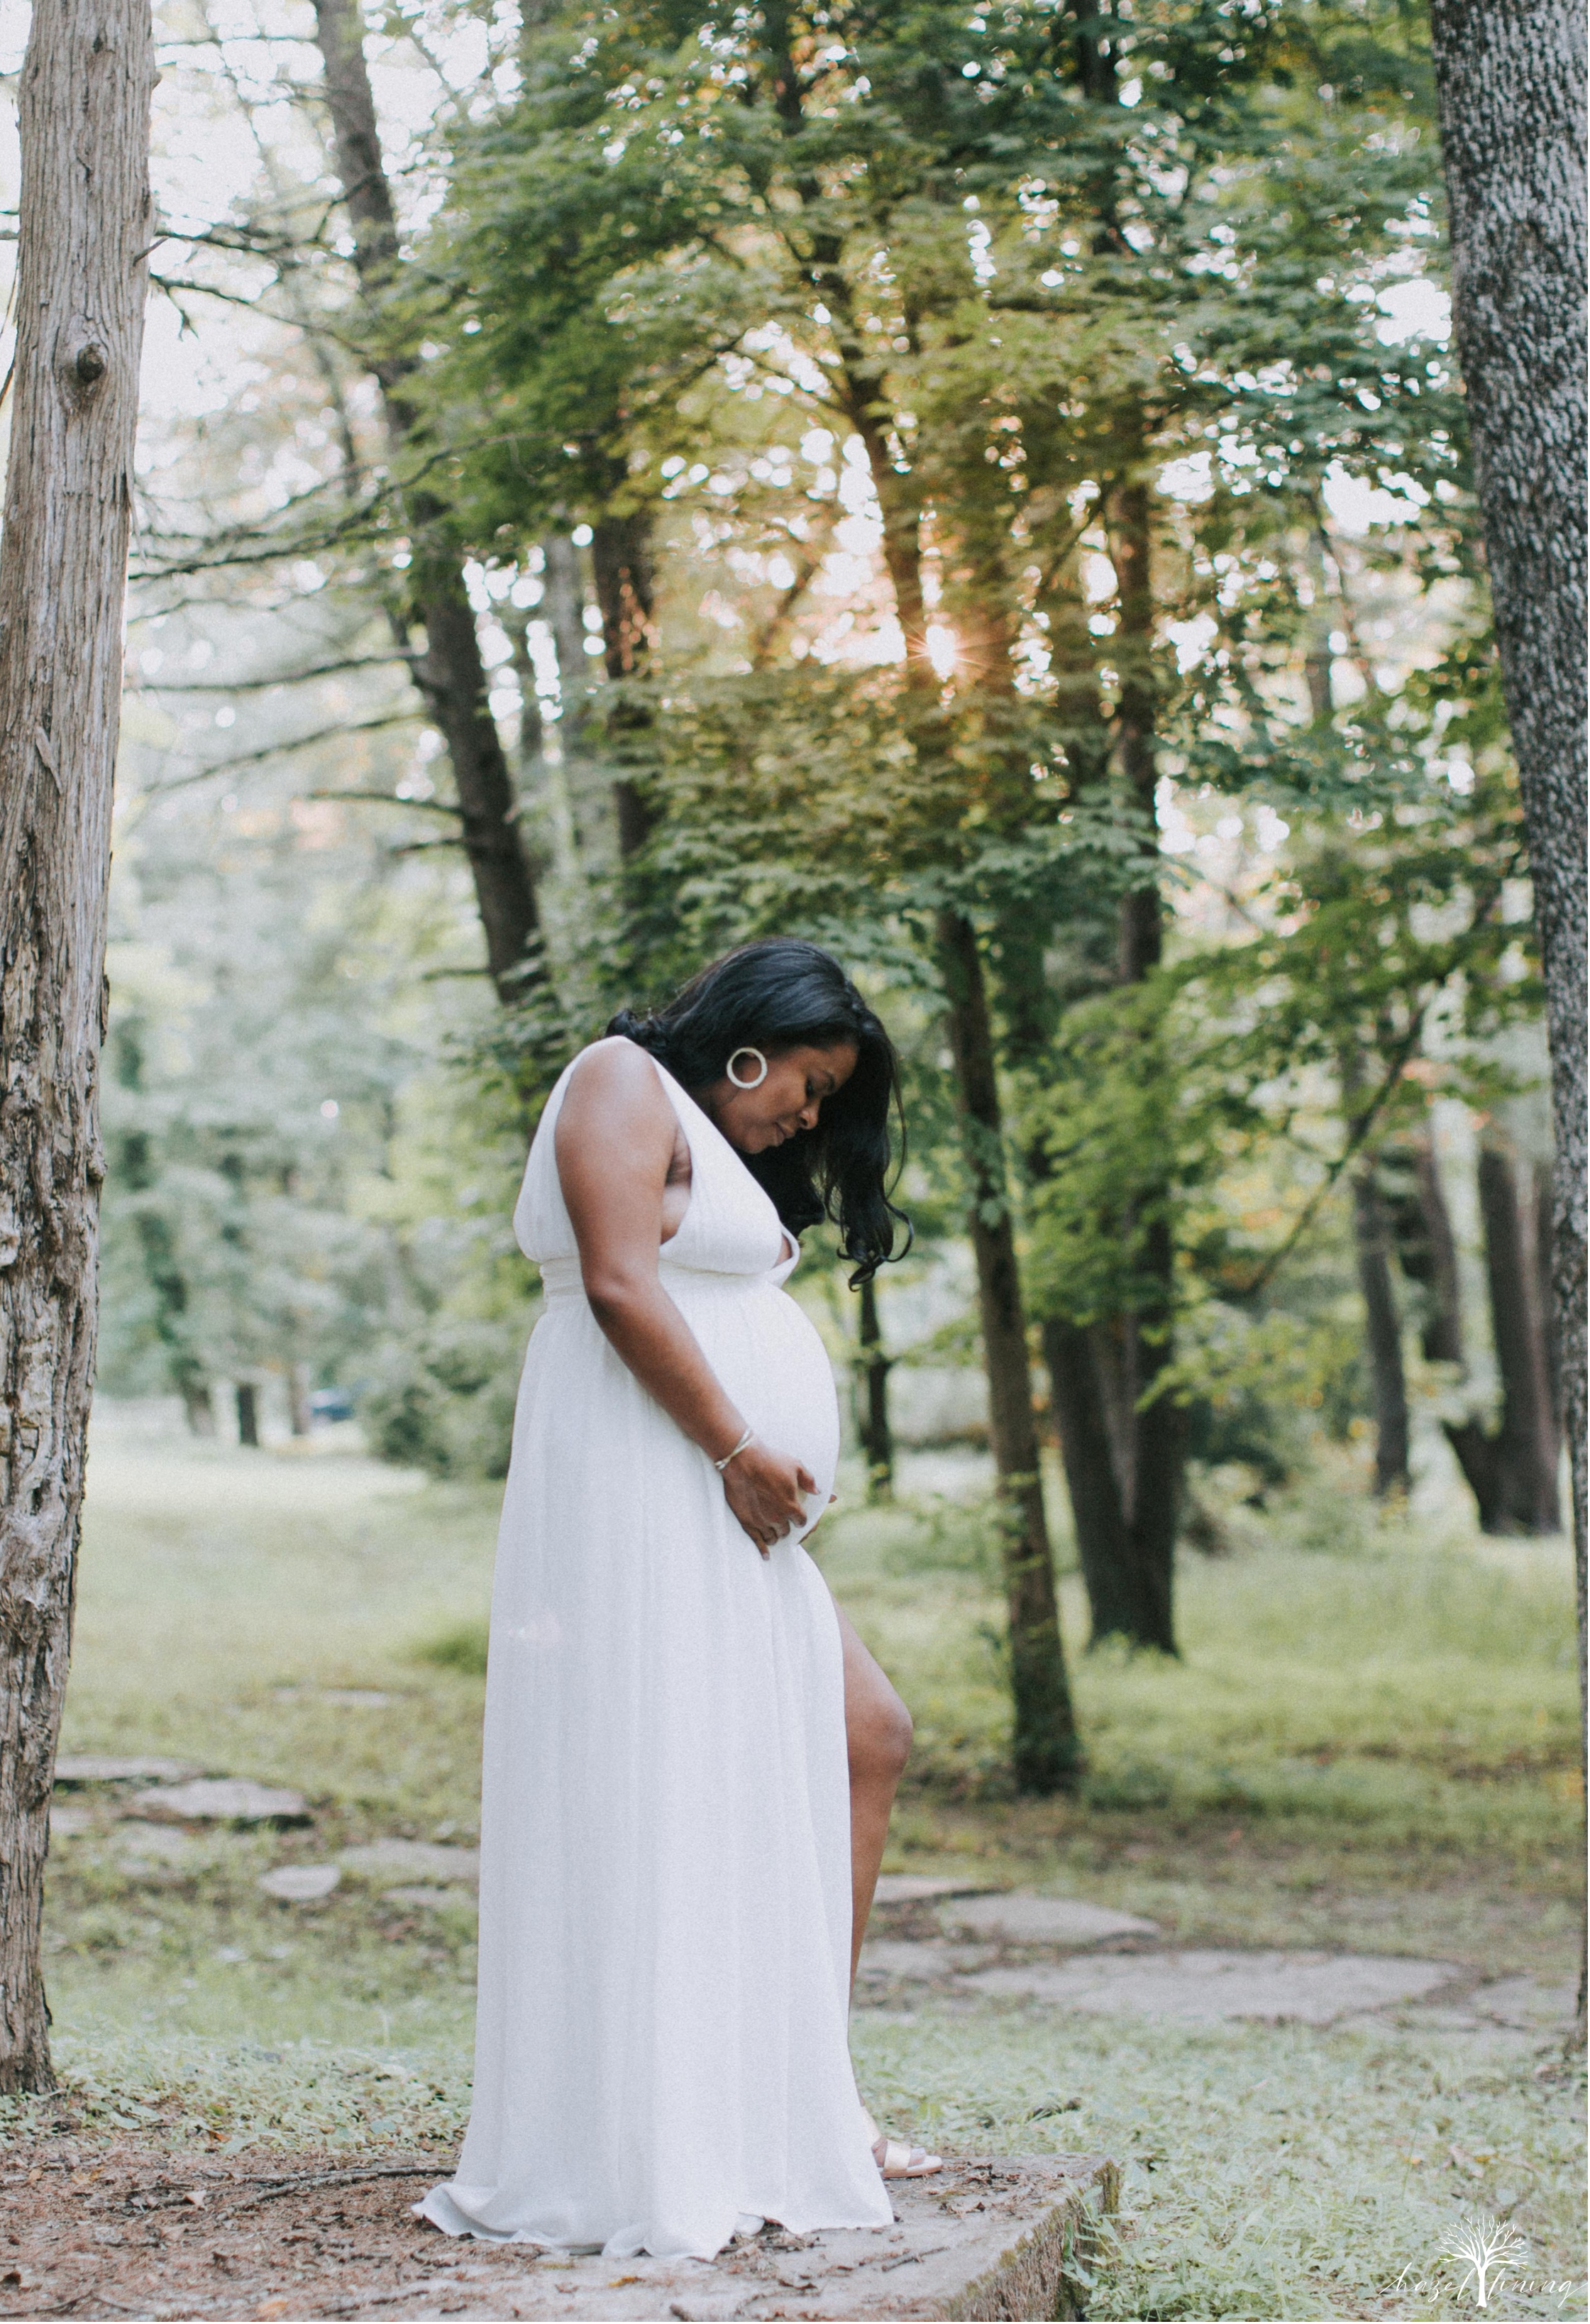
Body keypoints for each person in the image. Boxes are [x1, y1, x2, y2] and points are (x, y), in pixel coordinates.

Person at [419, 939, 939, 2264]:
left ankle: (800, 2098)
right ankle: (681, 2129)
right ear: (753, 1040)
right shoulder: (618, 1078)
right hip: (657, 1481)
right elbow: (614, 1282)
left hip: (721, 1502)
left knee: (864, 1731)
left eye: (827, 1103)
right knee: (674, 1781)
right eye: (809, 1086)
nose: (809, 1118)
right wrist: (734, 1446)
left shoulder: (702, 1136)